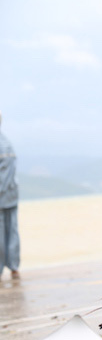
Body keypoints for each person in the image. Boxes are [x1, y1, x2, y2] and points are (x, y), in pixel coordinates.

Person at [0, 112, 20, 280]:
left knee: (2, 232)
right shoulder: (6, 142)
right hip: (11, 195)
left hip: (3, 195)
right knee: (12, 231)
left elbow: (4, 177)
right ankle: (14, 267)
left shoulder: (2, 144)